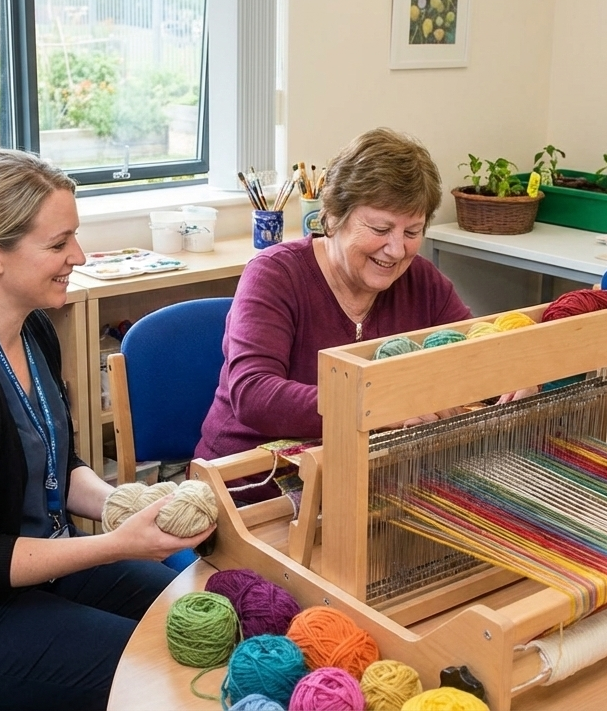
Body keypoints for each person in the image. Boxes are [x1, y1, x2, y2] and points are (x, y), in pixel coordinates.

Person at [0, 150, 213, 711]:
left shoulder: (34, 329)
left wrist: (123, 502)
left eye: (74, 236)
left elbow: (56, 464)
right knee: (166, 673)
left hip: (31, 566)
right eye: (57, 244)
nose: (77, 255)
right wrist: (117, 545)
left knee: (212, 619)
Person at [194, 128, 474, 500]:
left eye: (413, 231)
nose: (396, 250)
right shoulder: (275, 275)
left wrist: (515, 377)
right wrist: (373, 409)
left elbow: (473, 351)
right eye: (380, 229)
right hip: (250, 490)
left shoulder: (421, 282)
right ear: (335, 215)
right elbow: (254, 393)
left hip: (363, 486)